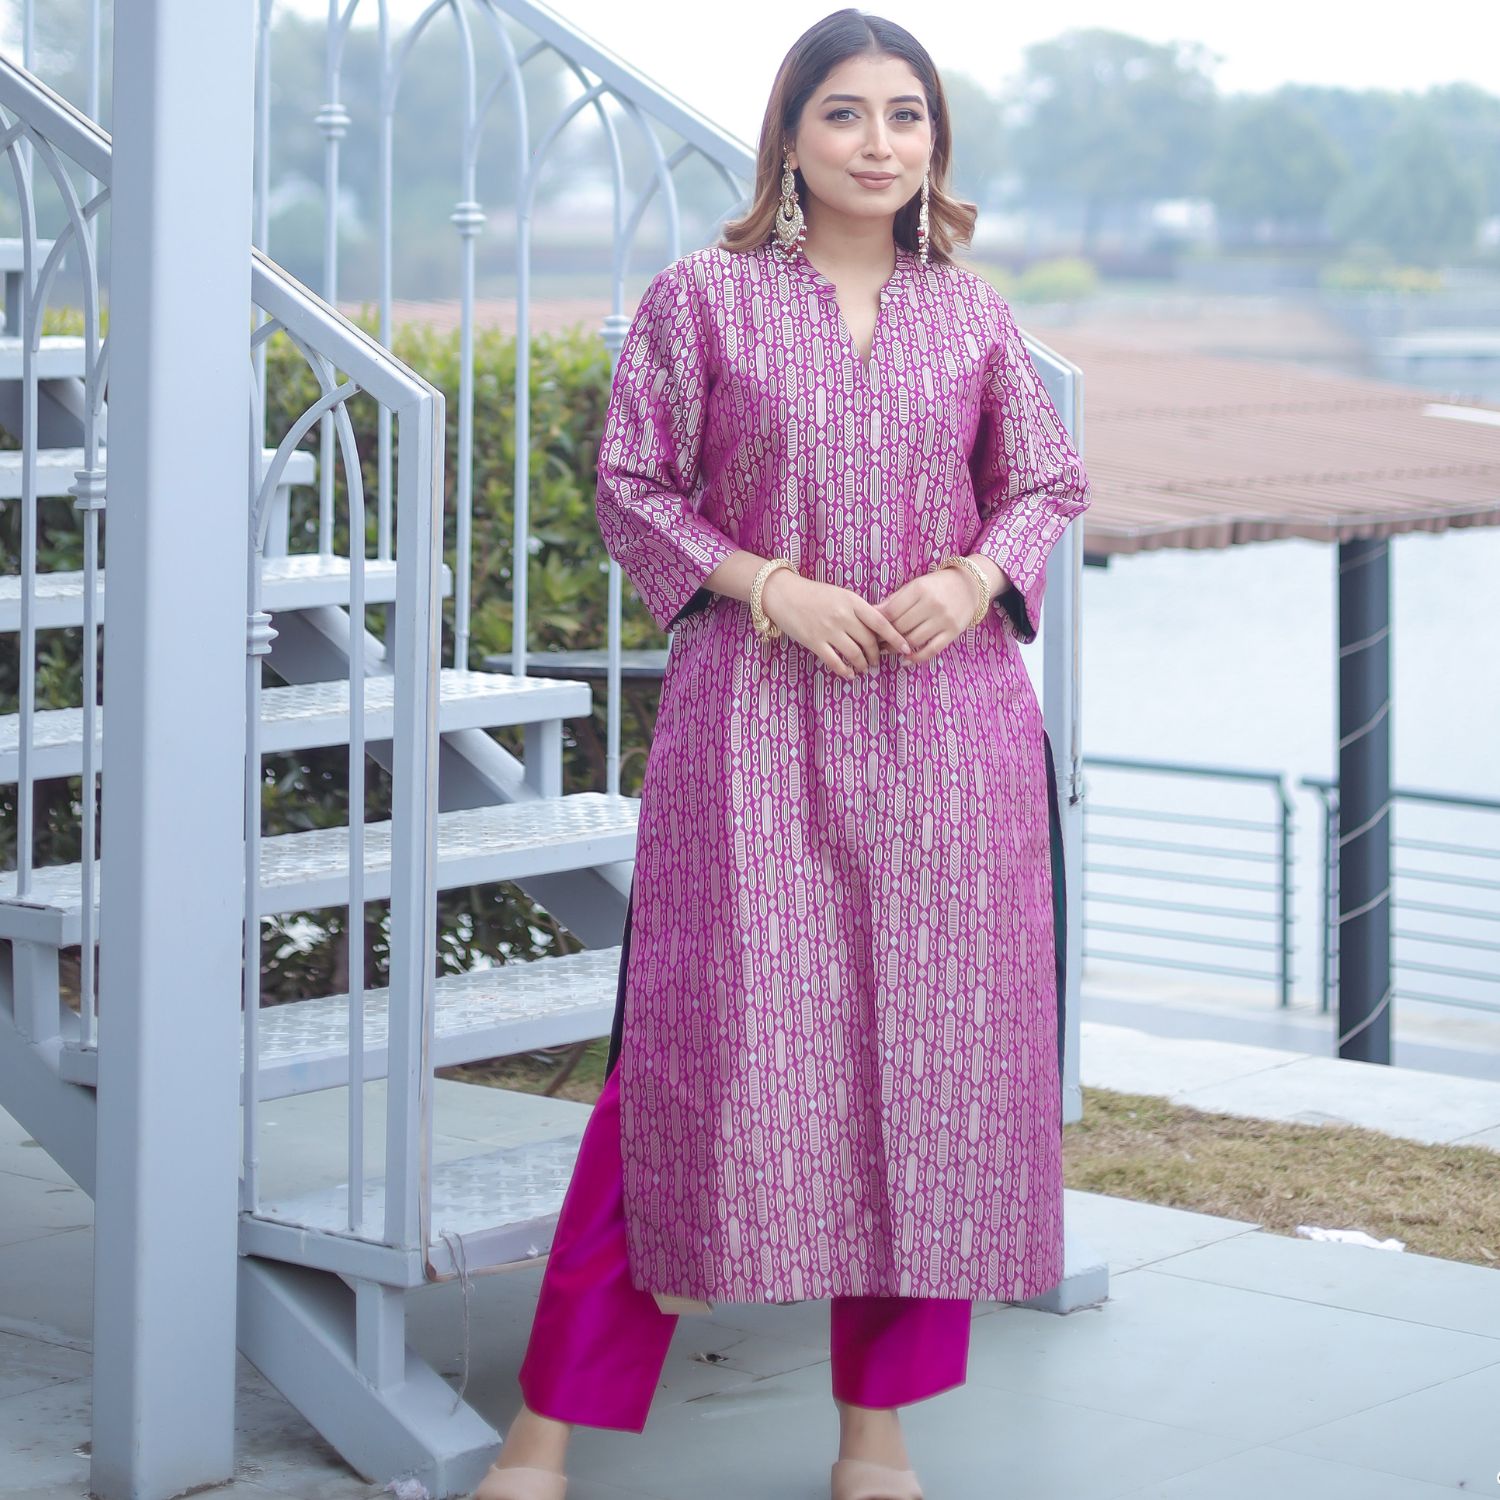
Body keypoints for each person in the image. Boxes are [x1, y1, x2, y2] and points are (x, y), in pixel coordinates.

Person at [471, 9, 1091, 1499]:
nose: (881, 144)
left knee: (930, 1073)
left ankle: (875, 1434)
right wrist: (767, 584)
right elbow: (632, 488)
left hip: (949, 736)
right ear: (790, 137)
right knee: (687, 1066)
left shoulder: (976, 315)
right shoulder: (703, 303)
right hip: (752, 729)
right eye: (847, 116)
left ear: (935, 143)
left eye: (908, 118)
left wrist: (971, 576)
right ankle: (546, 1430)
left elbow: (1048, 483)